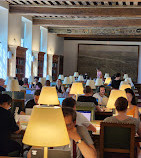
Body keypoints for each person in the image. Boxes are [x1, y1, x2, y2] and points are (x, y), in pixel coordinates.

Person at [27, 108, 97, 158]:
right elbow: (30, 155)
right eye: (61, 125)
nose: (64, 129)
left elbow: (92, 156)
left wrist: (77, 139)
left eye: (68, 125)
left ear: (74, 123)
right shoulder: (48, 131)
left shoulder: (81, 130)